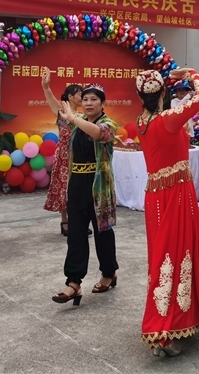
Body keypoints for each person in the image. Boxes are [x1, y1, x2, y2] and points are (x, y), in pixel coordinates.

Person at [135, 68, 199, 356]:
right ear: (163, 93)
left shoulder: (141, 122)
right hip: (176, 193)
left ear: (140, 96)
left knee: (165, 255)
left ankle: (182, 319)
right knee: (176, 252)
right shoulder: (168, 119)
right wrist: (191, 74)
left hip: (155, 194)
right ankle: (160, 330)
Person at [52, 84, 119, 306]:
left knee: (103, 233)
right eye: (86, 99)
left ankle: (109, 273)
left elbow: (97, 133)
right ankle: (73, 283)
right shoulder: (77, 121)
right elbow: (58, 111)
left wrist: (73, 118)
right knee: (76, 234)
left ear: (103, 103)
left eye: (94, 99)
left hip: (99, 187)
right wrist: (46, 88)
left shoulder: (108, 124)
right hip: (77, 185)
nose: (89, 103)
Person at [41, 70, 83, 236]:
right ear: (71, 97)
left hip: (80, 156)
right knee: (63, 188)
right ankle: (65, 221)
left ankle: (76, 221)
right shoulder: (62, 112)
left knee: (78, 189)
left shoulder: (83, 115)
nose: (82, 97)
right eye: (80, 94)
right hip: (65, 156)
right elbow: (51, 99)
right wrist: (46, 87)